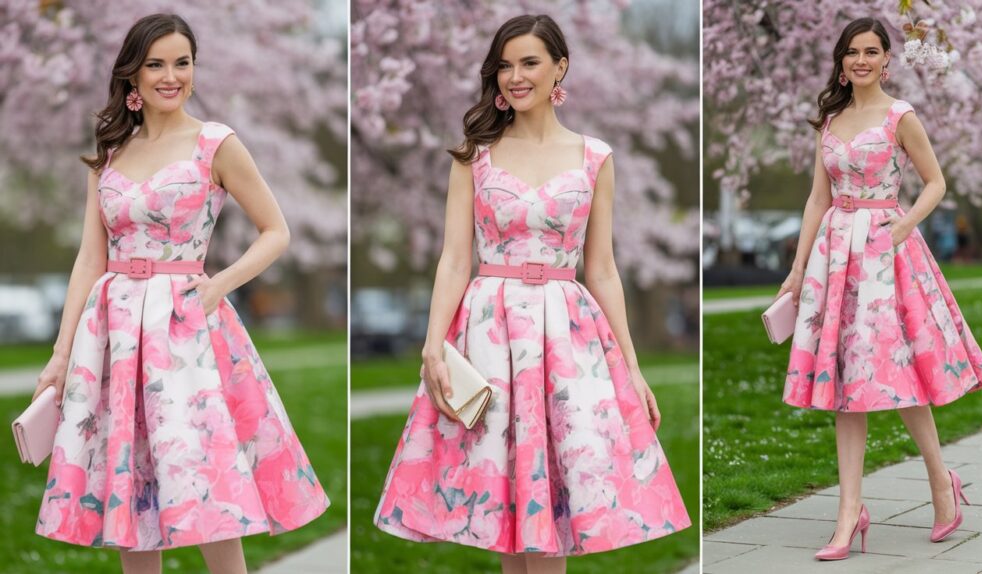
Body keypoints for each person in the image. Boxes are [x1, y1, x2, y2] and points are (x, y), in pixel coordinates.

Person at [373, 13, 690, 574]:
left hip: (567, 338)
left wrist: (633, 369)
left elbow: (605, 270)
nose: (514, 77)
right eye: (504, 66)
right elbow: (453, 259)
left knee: (551, 513)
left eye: (529, 63)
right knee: (506, 511)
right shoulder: (474, 155)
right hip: (489, 333)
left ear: (559, 67)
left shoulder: (596, 157)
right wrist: (432, 347)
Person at [30, 13, 329, 573]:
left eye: (182, 62)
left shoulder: (215, 143)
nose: (171, 76)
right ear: (132, 76)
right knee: (131, 486)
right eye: (156, 64)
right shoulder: (110, 152)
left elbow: (277, 230)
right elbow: (89, 259)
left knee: (210, 485)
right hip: (115, 333)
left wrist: (218, 285)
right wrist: (61, 354)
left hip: (186, 329)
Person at [775, 17, 982, 561]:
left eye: (872, 51)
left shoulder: (901, 116)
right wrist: (799, 268)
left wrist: (904, 224)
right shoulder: (830, 119)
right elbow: (815, 199)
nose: (862, 60)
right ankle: (849, 513)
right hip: (835, 257)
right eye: (853, 52)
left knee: (901, 376)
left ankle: (942, 484)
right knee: (847, 382)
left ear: (887, 59)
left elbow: (936, 181)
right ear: (842, 61)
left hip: (885, 253)